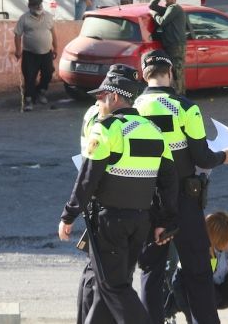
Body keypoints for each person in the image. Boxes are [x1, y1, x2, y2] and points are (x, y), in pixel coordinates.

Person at [58, 72, 179, 324]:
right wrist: (164, 221)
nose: (98, 104)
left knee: (114, 287)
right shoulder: (154, 131)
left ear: (113, 97)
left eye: (101, 98)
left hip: (110, 222)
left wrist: (69, 214)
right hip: (140, 222)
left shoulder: (108, 128)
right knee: (109, 287)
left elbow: (87, 178)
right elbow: (168, 182)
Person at [135, 49, 228, 324]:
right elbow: (202, 156)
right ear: (170, 73)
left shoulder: (133, 109)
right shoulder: (185, 108)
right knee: (197, 272)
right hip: (184, 201)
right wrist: (225, 156)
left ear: (143, 75)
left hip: (147, 202)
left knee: (151, 272)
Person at [75, 64, 142, 324]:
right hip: (109, 205)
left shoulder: (102, 115)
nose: (99, 99)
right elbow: (92, 169)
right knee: (105, 279)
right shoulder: (104, 119)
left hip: (103, 203)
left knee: (106, 278)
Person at [13, 0, 58, 111]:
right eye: (35, 4)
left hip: (46, 53)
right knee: (29, 77)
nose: (38, 6)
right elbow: (17, 35)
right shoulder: (24, 18)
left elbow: (53, 33)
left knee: (48, 73)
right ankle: (28, 101)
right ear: (29, 6)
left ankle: (41, 92)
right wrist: (18, 50)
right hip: (30, 54)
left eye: (40, 4)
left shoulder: (48, 16)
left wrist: (56, 48)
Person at [149, 0, 187, 95]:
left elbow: (162, 21)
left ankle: (180, 96)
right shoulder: (168, 9)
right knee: (173, 71)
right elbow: (152, 5)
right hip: (170, 45)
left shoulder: (174, 8)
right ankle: (178, 94)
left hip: (176, 45)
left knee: (177, 71)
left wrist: (154, 15)